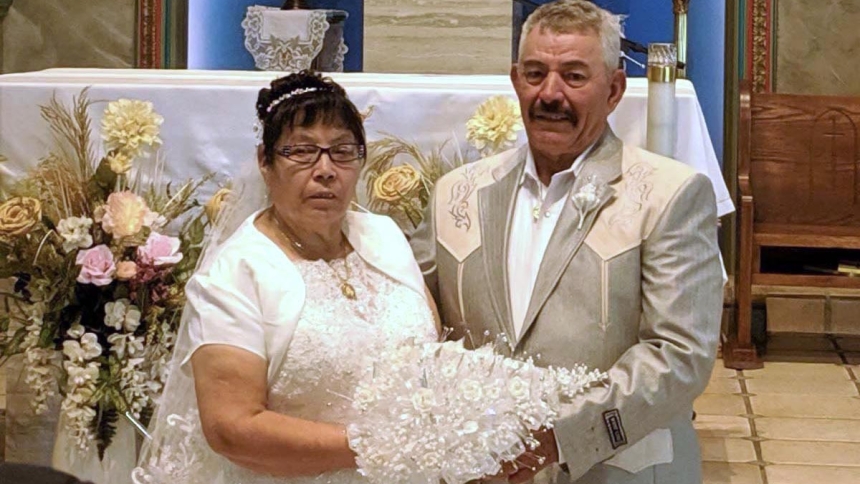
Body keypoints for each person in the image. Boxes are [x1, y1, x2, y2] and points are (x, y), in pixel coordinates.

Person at [411, 1, 724, 483]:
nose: (550, 94)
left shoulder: (669, 194)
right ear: (515, 80)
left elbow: (679, 355)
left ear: (614, 89)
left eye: (574, 76)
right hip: (479, 471)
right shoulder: (457, 192)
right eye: (535, 73)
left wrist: (557, 438)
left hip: (617, 467)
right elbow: (412, 317)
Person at [133, 71, 440, 484]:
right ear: (265, 160)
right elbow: (231, 427)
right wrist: (377, 446)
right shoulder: (237, 272)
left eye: (342, 151)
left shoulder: (383, 236)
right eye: (302, 151)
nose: (326, 169)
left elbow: (435, 354)